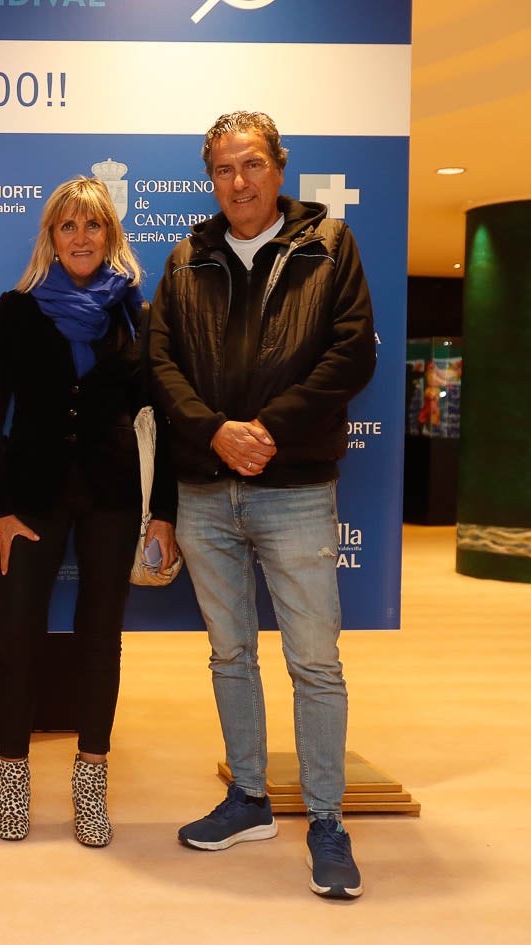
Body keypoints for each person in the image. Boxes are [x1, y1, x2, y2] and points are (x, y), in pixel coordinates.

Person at [149, 111, 376, 898]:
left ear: (278, 167)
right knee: (229, 652)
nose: (237, 181)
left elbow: (351, 352)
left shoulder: (329, 245)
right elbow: (160, 361)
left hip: (295, 488)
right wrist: (215, 432)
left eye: (250, 164)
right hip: (205, 491)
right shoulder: (186, 257)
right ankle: (247, 797)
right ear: (209, 178)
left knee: (314, 660)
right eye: (222, 168)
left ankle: (326, 820)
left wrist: (267, 430)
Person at [0, 176, 178, 847]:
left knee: (99, 640)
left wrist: (163, 512)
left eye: (93, 225)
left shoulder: (136, 314)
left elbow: (162, 418)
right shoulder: (16, 309)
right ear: (52, 238)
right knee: (16, 639)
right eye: (68, 226)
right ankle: (12, 775)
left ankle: (91, 782)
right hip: (28, 499)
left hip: (113, 500)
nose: (81, 237)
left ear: (110, 234)